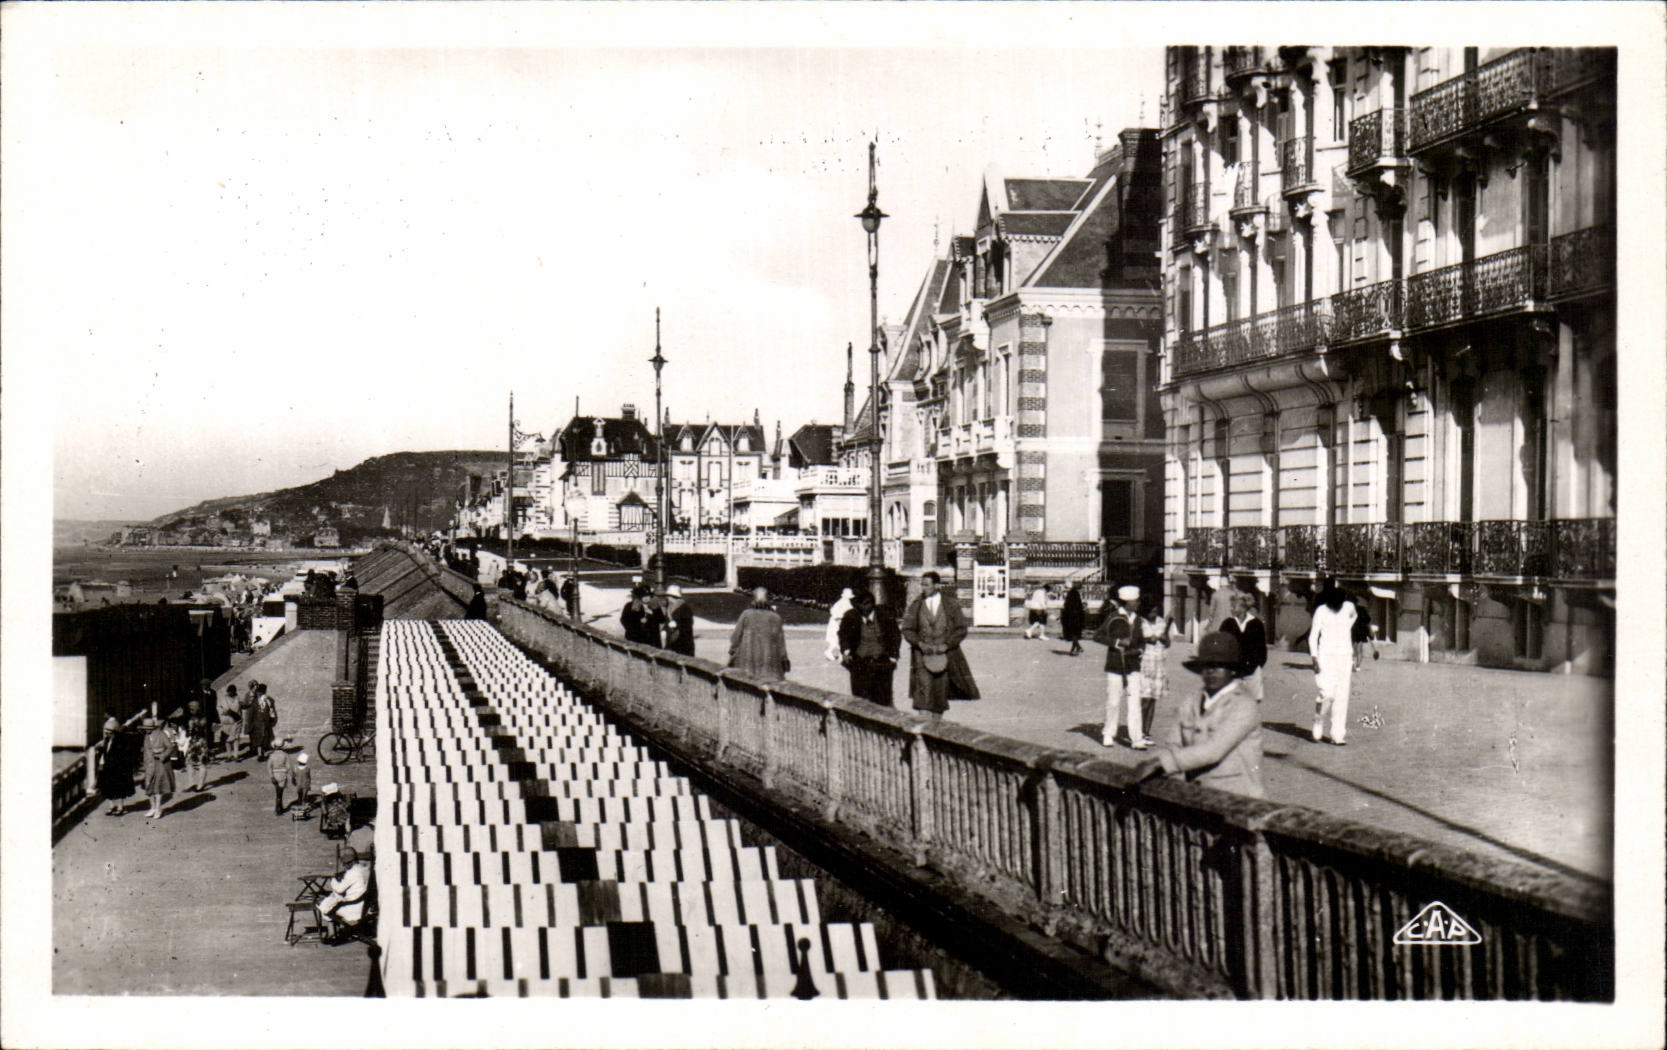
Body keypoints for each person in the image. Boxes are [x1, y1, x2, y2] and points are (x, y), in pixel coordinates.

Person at [1131, 631, 1265, 799]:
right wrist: (1150, 762)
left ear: (1233, 670)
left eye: (1219, 666)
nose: (1211, 672)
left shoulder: (1244, 705)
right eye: (1206, 666)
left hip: (1239, 799)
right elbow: (1173, 743)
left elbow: (1213, 750)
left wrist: (1163, 763)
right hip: (1198, 795)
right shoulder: (1192, 701)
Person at [900, 571, 979, 718]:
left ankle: (935, 733)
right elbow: (907, 629)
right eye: (922, 585)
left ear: (937, 585)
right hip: (922, 657)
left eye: (927, 585)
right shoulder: (916, 605)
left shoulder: (951, 604)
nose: (923, 588)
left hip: (944, 656)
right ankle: (922, 730)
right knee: (923, 695)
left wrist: (947, 645)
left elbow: (961, 629)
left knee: (939, 695)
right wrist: (918, 643)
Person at [1095, 585, 1147, 748]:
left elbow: (1141, 642)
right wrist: (1117, 643)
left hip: (1133, 666)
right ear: (1128, 602)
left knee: (1134, 703)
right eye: (1136, 601)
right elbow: (1098, 636)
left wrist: (1140, 649)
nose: (1138, 603)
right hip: (1115, 665)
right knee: (1113, 701)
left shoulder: (1139, 620)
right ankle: (1108, 733)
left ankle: (1136, 738)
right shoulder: (1114, 616)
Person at [1308, 581, 1358, 745]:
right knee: (1326, 693)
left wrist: (1346, 629)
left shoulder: (1349, 607)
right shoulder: (1321, 611)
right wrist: (1314, 658)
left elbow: (1354, 616)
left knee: (1342, 696)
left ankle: (1337, 734)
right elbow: (1313, 636)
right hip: (1325, 656)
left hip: (1344, 656)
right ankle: (1318, 721)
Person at [839, 588, 901, 706]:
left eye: (863, 605)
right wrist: (846, 652)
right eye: (857, 606)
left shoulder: (884, 615)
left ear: (871, 604)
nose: (860, 609)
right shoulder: (851, 616)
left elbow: (895, 635)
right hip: (859, 662)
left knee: (882, 700)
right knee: (860, 700)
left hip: (882, 663)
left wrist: (893, 657)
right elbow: (843, 635)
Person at [728, 587, 790, 681]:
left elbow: (735, 638)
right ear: (768, 600)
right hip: (769, 667)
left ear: (753, 599)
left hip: (747, 664)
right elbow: (781, 645)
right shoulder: (776, 618)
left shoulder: (746, 615)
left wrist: (732, 652)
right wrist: (784, 661)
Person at [1219, 590, 1268, 702]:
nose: (1231, 609)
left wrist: (1257, 665)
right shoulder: (1227, 623)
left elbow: (1261, 648)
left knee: (1253, 701)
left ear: (1243, 608)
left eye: (1233, 606)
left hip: (1252, 671)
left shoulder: (1256, 624)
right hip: (1233, 671)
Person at [319, 847, 374, 945]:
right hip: (364, 905)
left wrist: (333, 880)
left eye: (345, 863)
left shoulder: (351, 873)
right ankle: (336, 931)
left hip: (353, 908)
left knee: (324, 904)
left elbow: (339, 888)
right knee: (331, 900)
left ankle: (332, 933)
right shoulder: (364, 870)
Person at [1137, 597, 1175, 738]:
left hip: (1159, 663)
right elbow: (1137, 640)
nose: (1154, 613)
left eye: (1156, 611)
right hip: (1144, 663)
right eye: (1151, 611)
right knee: (1144, 699)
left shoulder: (1162, 622)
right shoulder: (1140, 622)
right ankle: (1138, 730)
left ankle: (1146, 731)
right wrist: (1147, 638)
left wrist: (1165, 638)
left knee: (1153, 699)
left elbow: (1168, 643)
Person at [95, 716, 139, 816]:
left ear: (114, 732)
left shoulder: (121, 741)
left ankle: (120, 807)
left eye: (108, 732)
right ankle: (111, 806)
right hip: (108, 767)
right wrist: (102, 763)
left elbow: (124, 755)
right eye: (106, 731)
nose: (106, 734)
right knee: (108, 788)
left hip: (118, 768)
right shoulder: (106, 740)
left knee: (119, 788)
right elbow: (104, 753)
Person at [139, 715, 178, 819]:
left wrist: (162, 754)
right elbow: (146, 751)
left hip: (160, 764)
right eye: (145, 729)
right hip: (149, 765)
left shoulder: (161, 734)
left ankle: (158, 808)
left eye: (148, 729)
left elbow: (170, 747)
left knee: (158, 787)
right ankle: (152, 807)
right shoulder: (146, 736)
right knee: (149, 787)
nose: (146, 731)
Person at [182, 700, 212, 792]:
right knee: (189, 762)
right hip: (193, 742)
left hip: (201, 742)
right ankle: (191, 783)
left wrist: (195, 725)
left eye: (193, 709)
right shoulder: (190, 718)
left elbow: (203, 729)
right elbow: (188, 732)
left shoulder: (203, 718)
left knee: (201, 763)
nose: (191, 711)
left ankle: (200, 784)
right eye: (190, 709)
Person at [662, 584, 696, 657]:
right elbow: (666, 621)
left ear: (673, 597)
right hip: (672, 641)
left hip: (683, 643)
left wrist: (676, 625)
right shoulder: (669, 607)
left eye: (668, 596)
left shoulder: (684, 608)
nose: (667, 598)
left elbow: (687, 625)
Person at [824, 588, 855, 663]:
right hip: (837, 623)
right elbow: (839, 615)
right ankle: (831, 652)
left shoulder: (840, 602)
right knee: (838, 639)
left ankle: (838, 654)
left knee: (836, 640)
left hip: (835, 623)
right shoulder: (845, 603)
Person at [1350, 595, 1377, 670]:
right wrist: (1370, 631)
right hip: (1361, 631)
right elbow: (1368, 622)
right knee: (1359, 649)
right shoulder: (1363, 610)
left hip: (1355, 631)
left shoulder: (1351, 610)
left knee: (1354, 648)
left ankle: (1353, 664)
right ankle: (1357, 665)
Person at [218, 683, 243, 761]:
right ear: (227, 691)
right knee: (227, 738)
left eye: (233, 691)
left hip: (236, 721)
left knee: (236, 738)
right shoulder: (223, 699)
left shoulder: (238, 698)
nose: (231, 693)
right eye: (229, 691)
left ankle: (236, 755)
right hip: (227, 721)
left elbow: (241, 708)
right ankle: (229, 755)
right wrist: (223, 712)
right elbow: (219, 709)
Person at [1061, 583, 1087, 656]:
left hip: (1071, 616)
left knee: (1071, 632)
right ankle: (1074, 649)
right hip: (1077, 615)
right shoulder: (1075, 593)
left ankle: (1077, 647)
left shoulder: (1071, 593)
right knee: (1075, 632)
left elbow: (1067, 605)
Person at [268, 747, 291, 816]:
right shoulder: (285, 755)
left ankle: (278, 807)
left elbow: (269, 766)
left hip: (275, 774)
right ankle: (278, 808)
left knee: (277, 791)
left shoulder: (272, 755)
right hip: (282, 775)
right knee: (280, 793)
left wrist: (271, 776)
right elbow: (288, 766)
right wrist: (285, 770)